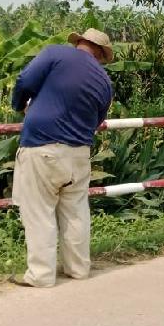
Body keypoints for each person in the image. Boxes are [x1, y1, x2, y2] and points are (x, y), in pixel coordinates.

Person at [8, 28, 114, 287]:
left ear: (79, 42)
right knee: (76, 212)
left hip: (42, 146)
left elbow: (25, 81)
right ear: (101, 55)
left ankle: (41, 275)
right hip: (79, 154)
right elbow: (98, 120)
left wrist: (19, 106)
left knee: (39, 211)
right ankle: (78, 269)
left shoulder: (55, 54)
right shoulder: (104, 82)